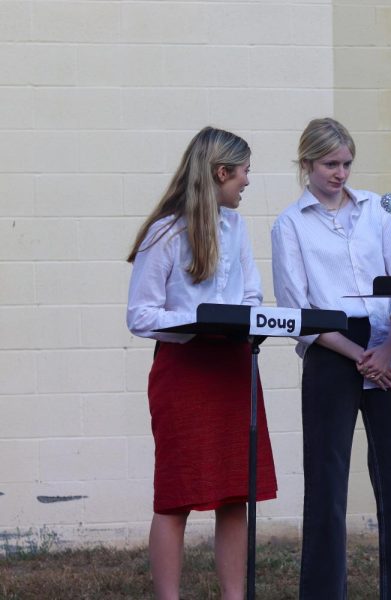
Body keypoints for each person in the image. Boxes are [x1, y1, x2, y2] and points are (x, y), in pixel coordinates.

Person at [270, 117, 391, 599]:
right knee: (327, 483)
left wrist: (389, 346)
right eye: (330, 164)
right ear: (307, 164)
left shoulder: (378, 211)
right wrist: (362, 355)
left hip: (387, 342)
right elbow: (298, 307)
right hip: (332, 350)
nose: (340, 173)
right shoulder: (290, 224)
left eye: (347, 163)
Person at [126, 126, 277, 599]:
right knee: (176, 497)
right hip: (185, 370)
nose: (248, 182)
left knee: (236, 495)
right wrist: (203, 319)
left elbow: (251, 293)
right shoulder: (166, 232)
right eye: (244, 172)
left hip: (234, 370)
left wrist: (252, 318)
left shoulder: (237, 227)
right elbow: (141, 314)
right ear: (221, 171)